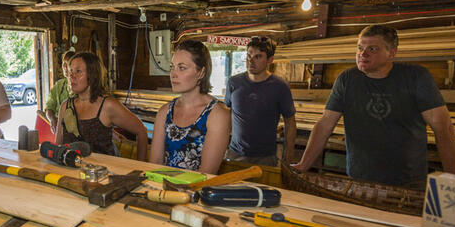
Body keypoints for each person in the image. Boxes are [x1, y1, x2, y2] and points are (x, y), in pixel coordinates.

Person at [293, 24, 455, 187]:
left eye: (372, 49)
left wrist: (453, 180)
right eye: (360, 48)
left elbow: (443, 128)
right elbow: (325, 124)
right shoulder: (347, 80)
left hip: (409, 182)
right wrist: (303, 165)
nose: (362, 54)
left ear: (391, 53)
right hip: (359, 179)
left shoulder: (415, 78)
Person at [149, 40, 229, 173]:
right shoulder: (164, 112)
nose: (173, 74)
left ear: (201, 73)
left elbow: (206, 174)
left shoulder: (217, 115)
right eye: (172, 67)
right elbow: (155, 164)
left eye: (182, 68)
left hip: (196, 190)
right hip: (162, 189)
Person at [55, 52, 148, 160]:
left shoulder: (107, 106)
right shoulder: (66, 106)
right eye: (71, 71)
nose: (71, 76)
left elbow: (141, 130)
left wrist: (140, 169)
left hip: (102, 174)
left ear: (92, 75)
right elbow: (58, 146)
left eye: (78, 71)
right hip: (71, 172)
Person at [223, 36, 296, 166]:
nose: (251, 61)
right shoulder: (234, 82)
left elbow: (290, 121)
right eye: (249, 56)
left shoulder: (280, 86)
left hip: (265, 158)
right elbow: (225, 116)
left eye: (258, 57)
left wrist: (289, 153)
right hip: (235, 154)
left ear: (270, 60)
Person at [45, 49, 75, 133]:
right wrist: (52, 120)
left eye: (68, 64)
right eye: (63, 64)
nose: (65, 67)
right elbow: (49, 107)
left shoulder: (80, 86)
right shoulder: (58, 85)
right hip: (58, 128)